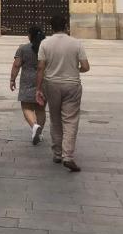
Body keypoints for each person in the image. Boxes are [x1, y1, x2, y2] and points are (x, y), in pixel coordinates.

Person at [36, 14, 90, 172]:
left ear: (51, 28)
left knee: (55, 118)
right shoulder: (76, 43)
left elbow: (40, 68)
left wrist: (38, 89)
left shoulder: (45, 43)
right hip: (72, 84)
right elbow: (86, 66)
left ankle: (57, 153)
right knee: (71, 120)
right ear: (66, 26)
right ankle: (68, 155)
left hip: (51, 84)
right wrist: (76, 70)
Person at [10, 25, 47, 145]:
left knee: (26, 106)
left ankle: (34, 126)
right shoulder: (46, 49)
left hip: (27, 80)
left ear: (30, 36)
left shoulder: (23, 49)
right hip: (43, 80)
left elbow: (16, 65)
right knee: (41, 108)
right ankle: (39, 133)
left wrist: (12, 79)